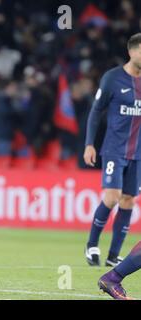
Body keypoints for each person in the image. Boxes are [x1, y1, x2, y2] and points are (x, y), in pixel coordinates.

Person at [84, 33, 141, 267]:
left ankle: (113, 255)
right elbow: (96, 111)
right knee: (112, 196)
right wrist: (89, 144)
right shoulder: (112, 78)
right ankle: (92, 245)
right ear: (132, 52)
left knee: (128, 201)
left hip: (138, 153)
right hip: (114, 149)